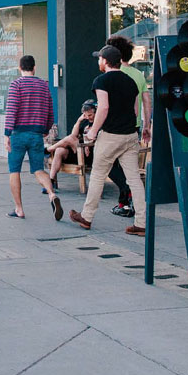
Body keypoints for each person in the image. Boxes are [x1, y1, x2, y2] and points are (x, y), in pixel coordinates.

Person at [69, 45, 147, 236]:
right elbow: (136, 111)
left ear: (104, 61)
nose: (98, 61)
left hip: (111, 135)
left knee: (97, 174)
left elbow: (103, 108)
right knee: (134, 179)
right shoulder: (130, 81)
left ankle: (86, 217)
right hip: (130, 135)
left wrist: (93, 131)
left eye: (99, 59)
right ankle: (142, 223)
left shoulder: (101, 81)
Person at [4, 55, 61, 221]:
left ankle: (19, 209)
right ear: (34, 67)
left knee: (14, 171)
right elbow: (51, 111)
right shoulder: (44, 86)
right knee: (38, 170)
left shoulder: (16, 84)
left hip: (18, 135)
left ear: (20, 68)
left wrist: (7, 133)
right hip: (36, 134)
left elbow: (12, 110)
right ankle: (51, 194)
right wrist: (46, 129)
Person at [105, 34, 153, 218]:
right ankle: (125, 202)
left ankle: (126, 194)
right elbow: (146, 102)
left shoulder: (113, 74)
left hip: (115, 127)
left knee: (107, 163)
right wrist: (146, 125)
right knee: (129, 166)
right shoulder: (138, 74)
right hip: (134, 127)